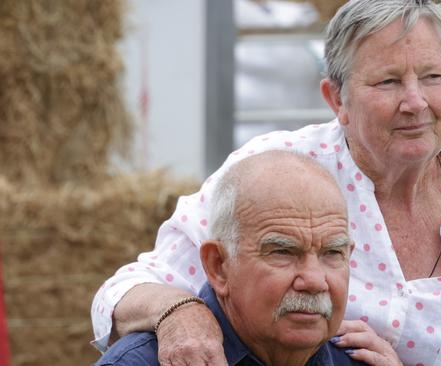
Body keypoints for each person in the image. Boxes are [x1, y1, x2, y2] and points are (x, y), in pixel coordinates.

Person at [92, 1, 441, 365]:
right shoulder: (277, 170)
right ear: (336, 98)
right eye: (387, 82)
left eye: (431, 77)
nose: (415, 101)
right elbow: (123, 291)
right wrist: (179, 311)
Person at [95, 151, 371, 365]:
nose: (314, 281)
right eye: (283, 252)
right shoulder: (143, 362)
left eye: (332, 253)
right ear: (219, 266)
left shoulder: (362, 360)